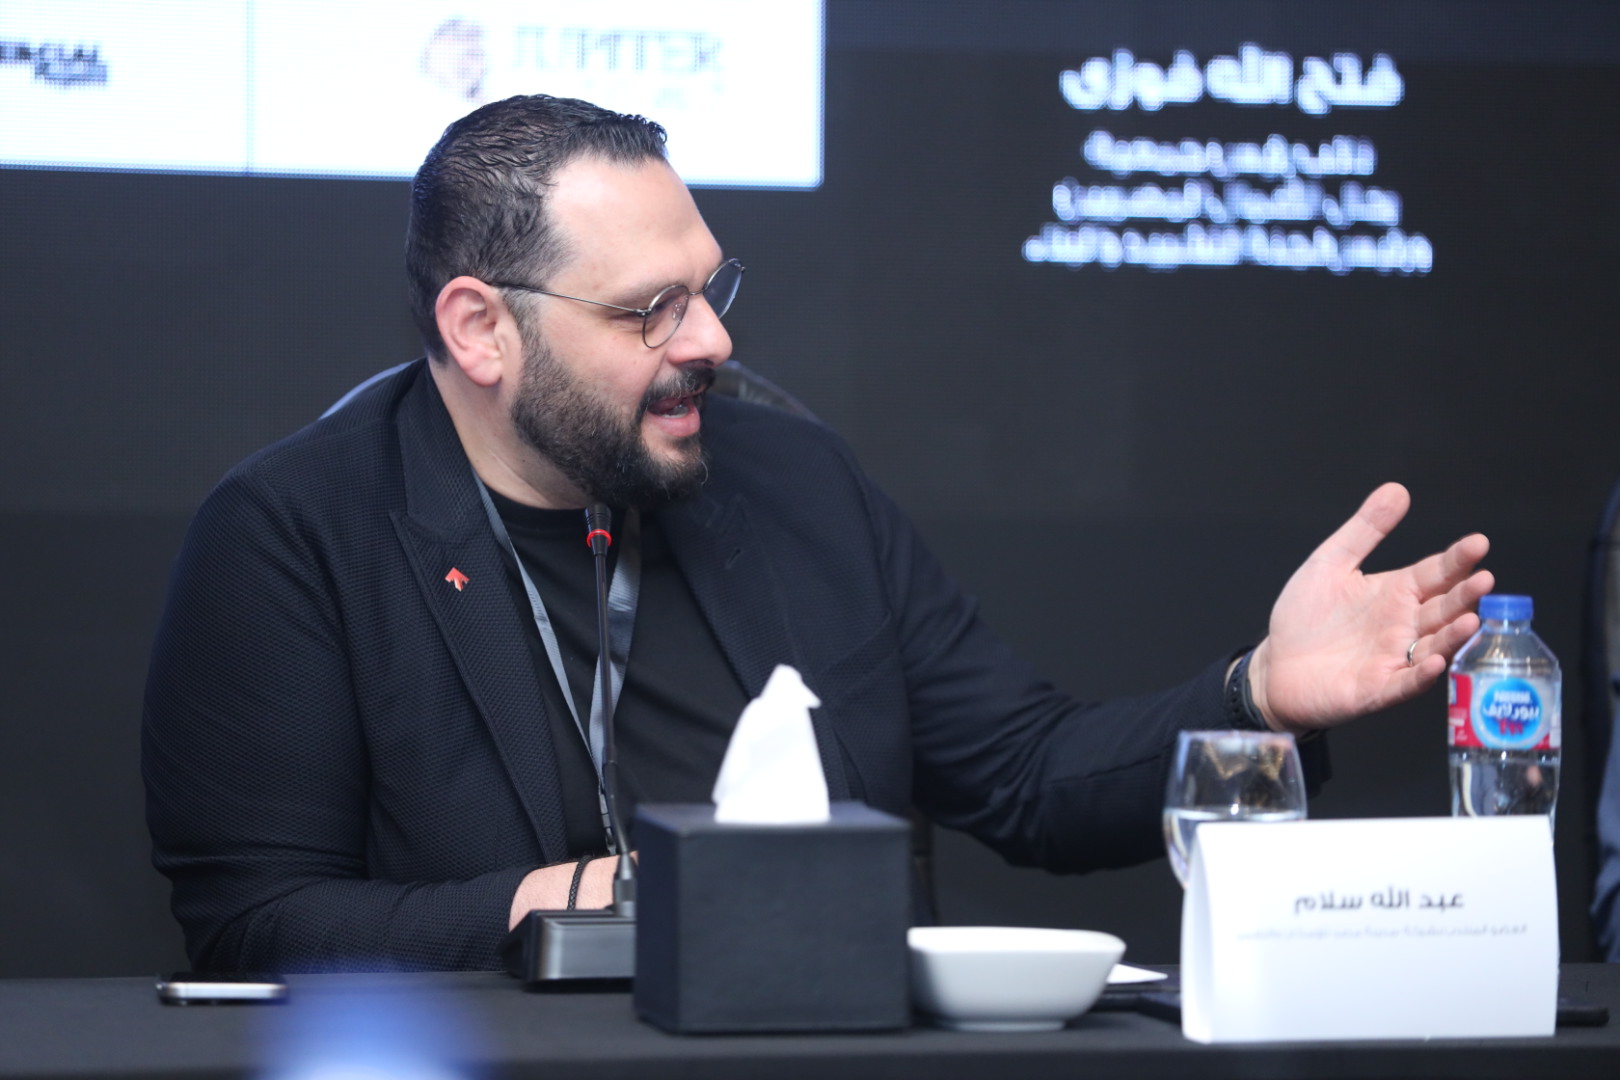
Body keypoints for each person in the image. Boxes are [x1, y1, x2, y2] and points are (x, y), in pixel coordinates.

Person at [142, 95, 1493, 973]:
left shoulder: (792, 482)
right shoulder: (293, 536)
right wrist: (599, 898)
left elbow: (1029, 776)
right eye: (650, 310)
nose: (711, 341)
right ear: (481, 329)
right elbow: (258, 924)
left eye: (709, 287)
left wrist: (1261, 696)